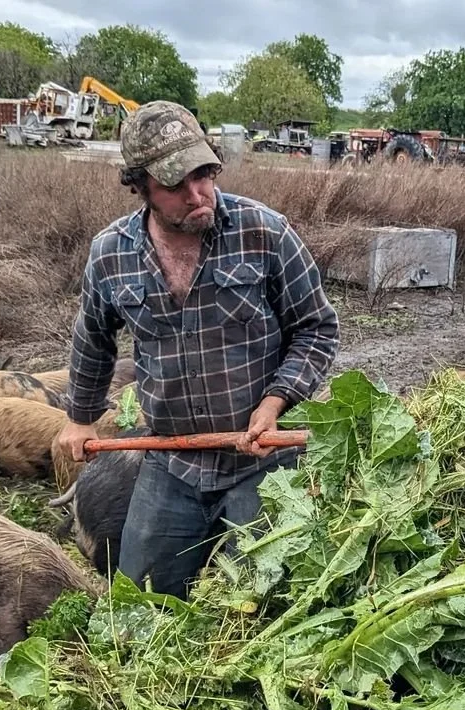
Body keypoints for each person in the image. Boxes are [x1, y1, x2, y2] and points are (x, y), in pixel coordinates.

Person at [56, 100, 339, 599]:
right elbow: (93, 340)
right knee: (141, 601)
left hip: (263, 461)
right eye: (176, 184)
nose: (198, 193)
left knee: (260, 602)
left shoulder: (265, 233)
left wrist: (275, 403)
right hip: (173, 462)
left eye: (204, 174)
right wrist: (79, 417)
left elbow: (316, 329)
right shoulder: (111, 254)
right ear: (140, 186)